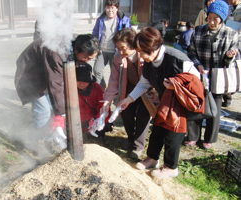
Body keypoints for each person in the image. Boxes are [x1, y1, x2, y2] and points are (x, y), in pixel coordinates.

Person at [117, 27, 201, 178]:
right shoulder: (149, 62)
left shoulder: (177, 58)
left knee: (173, 133)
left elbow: (197, 81)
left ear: (154, 48)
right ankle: (152, 158)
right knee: (157, 129)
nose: (141, 55)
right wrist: (128, 99)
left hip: (180, 105)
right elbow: (144, 83)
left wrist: (175, 86)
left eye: (143, 51)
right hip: (165, 102)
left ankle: (171, 167)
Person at [15, 34, 100, 134]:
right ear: (77, 49)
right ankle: (38, 140)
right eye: (86, 57)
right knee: (44, 111)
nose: (87, 61)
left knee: (52, 109)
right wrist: (61, 113)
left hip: (46, 74)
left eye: (91, 58)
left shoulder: (80, 42)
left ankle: (49, 135)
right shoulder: (56, 52)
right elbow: (55, 83)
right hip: (31, 76)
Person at [185, 0, 240, 149]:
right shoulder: (199, 30)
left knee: (214, 107)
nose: (211, 21)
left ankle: (209, 138)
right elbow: (191, 51)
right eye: (209, 17)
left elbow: (235, 57)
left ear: (222, 19)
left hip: (219, 75)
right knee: (196, 104)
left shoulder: (232, 34)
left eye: (215, 18)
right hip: (200, 72)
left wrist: (229, 56)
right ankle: (193, 136)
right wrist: (198, 65)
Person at [100, 28, 155, 159]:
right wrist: (107, 101)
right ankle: (131, 138)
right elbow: (113, 80)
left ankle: (138, 146)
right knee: (126, 113)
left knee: (143, 116)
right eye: (117, 48)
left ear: (132, 44)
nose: (120, 51)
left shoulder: (144, 55)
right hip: (129, 86)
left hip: (147, 89)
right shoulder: (118, 57)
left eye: (123, 48)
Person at [92, 0, 131, 89]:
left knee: (115, 73)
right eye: (108, 8)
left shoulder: (123, 20)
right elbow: (95, 32)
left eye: (112, 8)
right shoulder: (101, 19)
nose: (110, 10)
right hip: (102, 50)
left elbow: (128, 35)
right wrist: (95, 44)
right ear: (105, 8)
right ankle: (101, 86)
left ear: (117, 8)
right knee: (97, 70)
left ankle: (114, 92)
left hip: (116, 51)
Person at [76, 63, 112, 145]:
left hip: (93, 119)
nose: (81, 84)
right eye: (78, 80)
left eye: (84, 81)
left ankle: (100, 140)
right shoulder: (69, 88)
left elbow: (103, 106)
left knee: (103, 125)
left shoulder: (96, 87)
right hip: (76, 120)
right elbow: (61, 108)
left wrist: (98, 119)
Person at [222, 0, 241, 107]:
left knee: (237, 68)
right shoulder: (227, 8)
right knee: (227, 67)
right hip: (227, 41)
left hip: (239, 42)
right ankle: (227, 95)